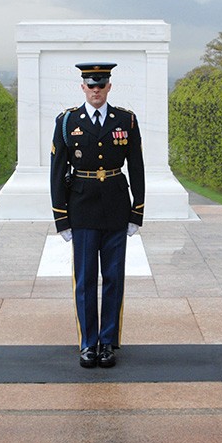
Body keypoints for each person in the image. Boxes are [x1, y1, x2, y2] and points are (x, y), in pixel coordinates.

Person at [50, 62, 145, 368]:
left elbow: (138, 168)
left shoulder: (126, 120)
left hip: (116, 207)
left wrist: (137, 211)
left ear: (109, 87)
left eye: (101, 85)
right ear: (83, 87)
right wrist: (61, 217)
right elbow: (57, 172)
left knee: (114, 278)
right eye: (91, 85)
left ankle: (107, 342)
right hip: (83, 210)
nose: (96, 90)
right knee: (86, 280)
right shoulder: (67, 121)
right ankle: (88, 343)